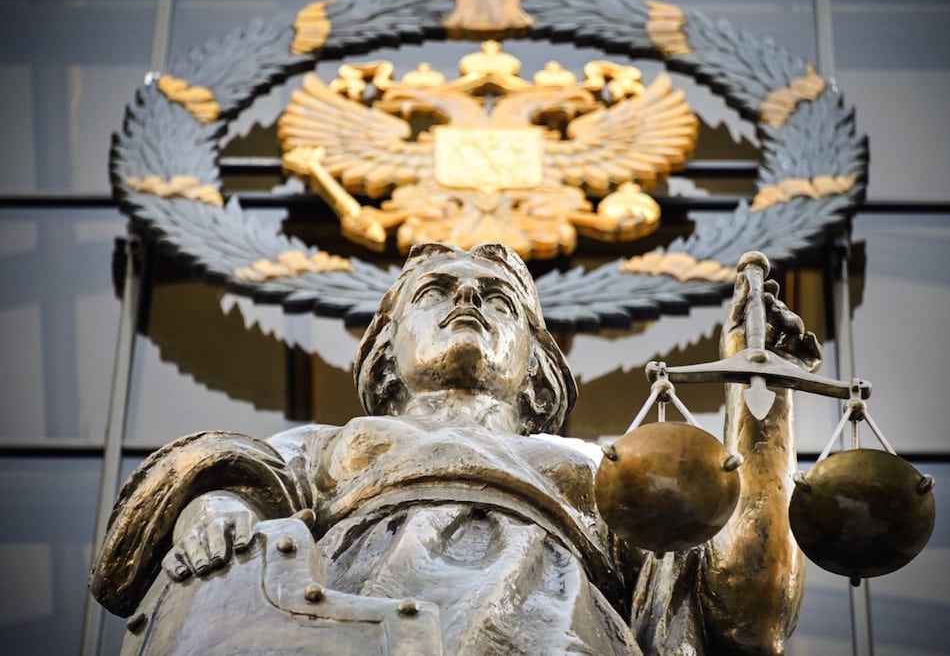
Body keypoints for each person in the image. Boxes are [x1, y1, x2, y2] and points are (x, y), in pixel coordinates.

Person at [91, 243, 818, 654]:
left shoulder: (606, 470)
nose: (467, 300)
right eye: (436, 292)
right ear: (384, 354)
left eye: (497, 299)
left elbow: (749, 615)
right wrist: (213, 509)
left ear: (537, 368)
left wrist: (763, 409)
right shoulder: (332, 446)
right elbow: (239, 482)